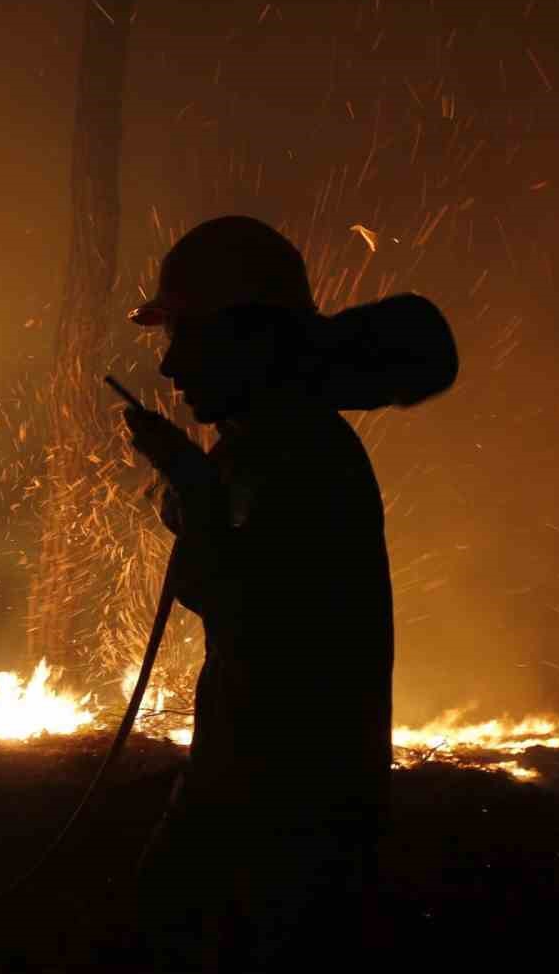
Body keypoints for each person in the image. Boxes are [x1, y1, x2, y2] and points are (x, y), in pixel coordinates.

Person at [124, 216, 455, 970]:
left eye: (184, 335)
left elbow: (257, 619)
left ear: (244, 336)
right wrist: (193, 483)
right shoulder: (272, 445)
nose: (170, 368)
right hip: (264, 809)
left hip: (286, 830)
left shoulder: (302, 454)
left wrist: (194, 487)